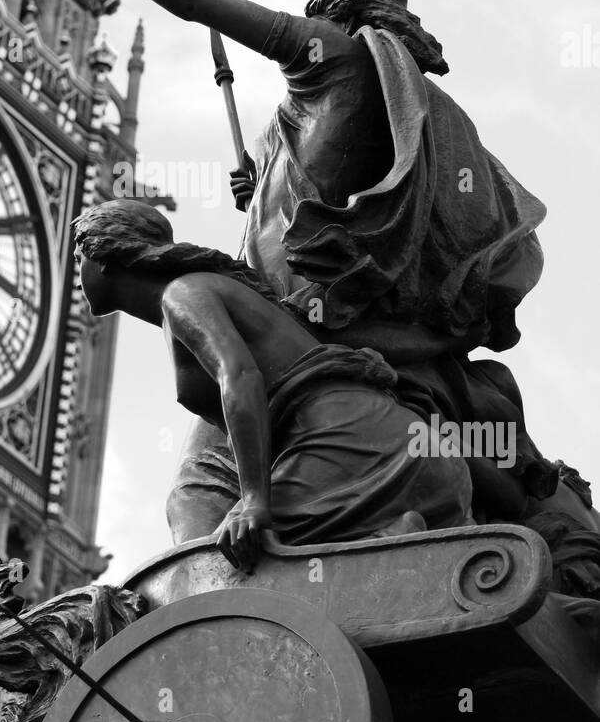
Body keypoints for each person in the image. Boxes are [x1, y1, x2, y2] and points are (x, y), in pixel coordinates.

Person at [52, 0, 600, 594]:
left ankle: (235, 605)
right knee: (198, 487)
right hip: (338, 355)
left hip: (319, 361)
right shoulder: (359, 118)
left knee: (198, 487)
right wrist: (269, 208)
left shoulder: (333, 57)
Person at [74, 199, 472, 572]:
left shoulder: (183, 295)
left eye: (79, 259)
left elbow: (241, 378)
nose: (77, 273)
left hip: (365, 454)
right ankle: (383, 539)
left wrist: (254, 501)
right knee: (205, 530)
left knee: (218, 565)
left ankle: (383, 541)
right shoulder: (204, 291)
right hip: (420, 461)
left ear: (104, 256)